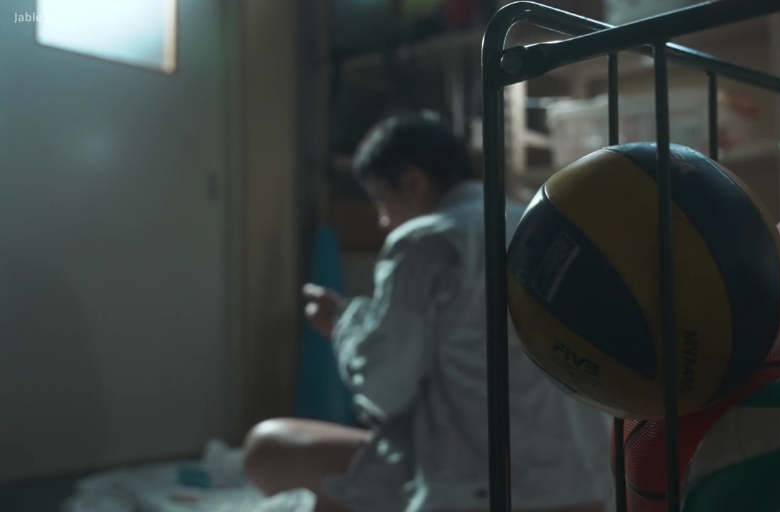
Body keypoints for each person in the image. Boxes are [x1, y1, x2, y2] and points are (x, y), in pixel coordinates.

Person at [243, 111, 616, 512]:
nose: (383, 221)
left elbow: (385, 388)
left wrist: (340, 322)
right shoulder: (538, 226)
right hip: (591, 486)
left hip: (489, 491)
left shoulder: (427, 240)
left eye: (381, 202)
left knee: (266, 448)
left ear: (413, 183)